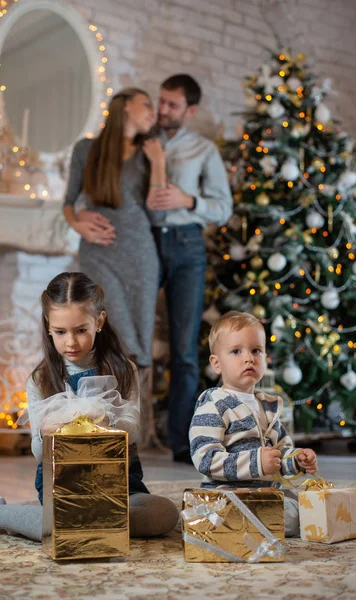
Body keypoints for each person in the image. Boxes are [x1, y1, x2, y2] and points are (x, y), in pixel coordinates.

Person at [0, 272, 179, 541]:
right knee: (58, 524)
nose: (71, 342)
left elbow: (135, 437)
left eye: (81, 330)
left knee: (163, 514)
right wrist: (45, 431)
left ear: (99, 322)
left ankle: (83, 519)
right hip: (63, 485)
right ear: (48, 325)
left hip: (119, 483)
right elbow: (39, 453)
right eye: (60, 332)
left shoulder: (124, 370)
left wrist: (106, 420)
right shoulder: (40, 379)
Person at [146, 74, 234, 463]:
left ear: (190, 110)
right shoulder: (141, 141)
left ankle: (183, 445)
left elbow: (223, 207)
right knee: (129, 340)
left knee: (184, 349)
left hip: (187, 247)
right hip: (144, 243)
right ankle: (125, 437)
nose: (163, 110)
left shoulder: (203, 149)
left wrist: (188, 198)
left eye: (172, 105)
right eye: (161, 102)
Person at [189, 310, 318, 537]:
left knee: (311, 506)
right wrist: (257, 463)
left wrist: (297, 459)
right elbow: (205, 459)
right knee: (293, 517)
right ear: (216, 363)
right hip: (228, 493)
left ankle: (264, 521)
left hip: (267, 492)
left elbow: (281, 453)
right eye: (236, 351)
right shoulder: (213, 404)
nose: (249, 357)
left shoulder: (268, 405)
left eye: (256, 350)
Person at [63, 88, 165, 372]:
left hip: (140, 255)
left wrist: (159, 163)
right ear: (125, 107)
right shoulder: (86, 149)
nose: (152, 112)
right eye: (146, 104)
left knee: (140, 344)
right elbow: (68, 201)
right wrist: (78, 224)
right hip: (98, 252)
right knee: (109, 330)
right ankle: (101, 412)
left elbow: (158, 213)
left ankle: (135, 415)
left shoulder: (150, 153)